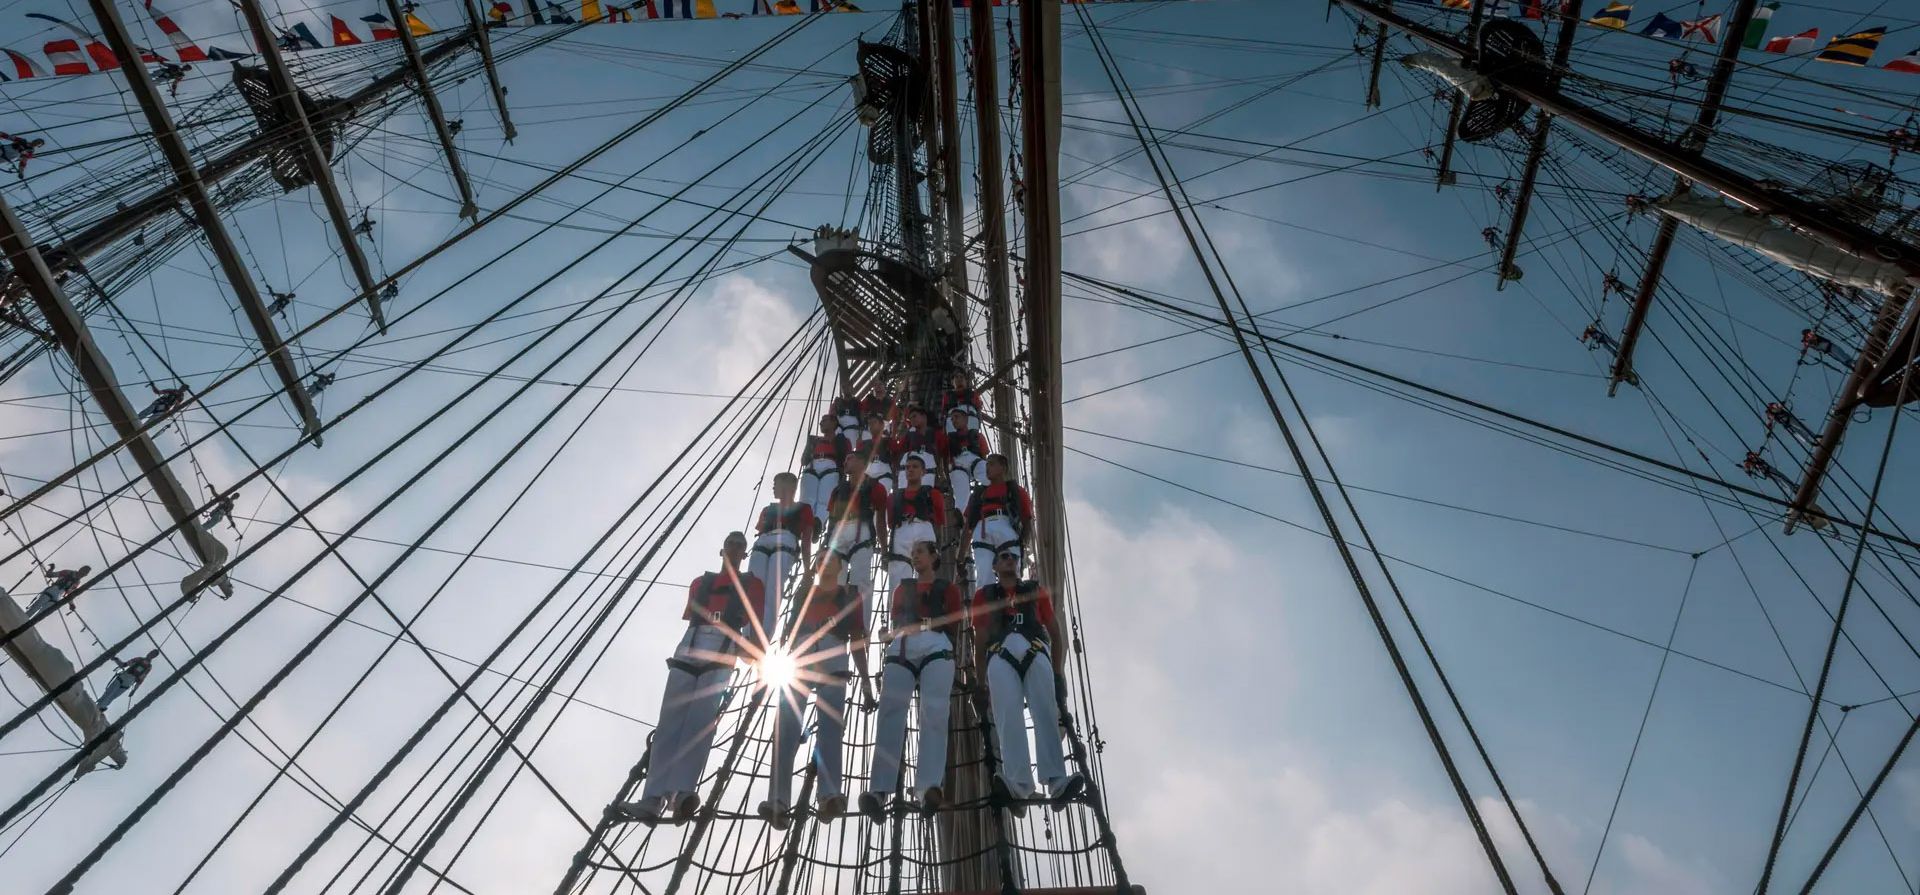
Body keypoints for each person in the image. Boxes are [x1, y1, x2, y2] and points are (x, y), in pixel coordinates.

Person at [615, 533, 767, 824]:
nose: (735, 549)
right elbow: (692, 616)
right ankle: (652, 798)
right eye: (731, 544)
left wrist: (760, 669)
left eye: (740, 546)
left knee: (699, 723)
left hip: (723, 647)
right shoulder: (700, 583)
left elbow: (756, 627)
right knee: (669, 723)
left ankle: (682, 792)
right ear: (722, 550)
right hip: (690, 644)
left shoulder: (752, 585)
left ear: (745, 554)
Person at [757, 553, 872, 829]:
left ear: (840, 566)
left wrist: (866, 679)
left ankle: (829, 795)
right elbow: (790, 634)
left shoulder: (849, 595)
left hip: (835, 647)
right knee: (785, 727)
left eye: (829, 559)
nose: (823, 562)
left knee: (831, 726)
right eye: (819, 558)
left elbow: (856, 638)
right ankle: (778, 800)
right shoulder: (804, 594)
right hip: (802, 652)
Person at [971, 550, 1084, 814]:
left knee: (1045, 711)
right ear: (995, 566)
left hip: (1035, 650)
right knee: (1008, 715)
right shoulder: (983, 596)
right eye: (1004, 557)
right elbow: (979, 641)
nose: (1011, 559)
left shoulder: (1036, 591)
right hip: (1000, 654)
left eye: (1014, 556)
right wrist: (979, 682)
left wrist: (1057, 675)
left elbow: (1056, 634)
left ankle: (1057, 781)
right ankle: (1019, 784)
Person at [861, 541, 963, 820]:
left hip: (937, 645)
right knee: (890, 712)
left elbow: (954, 623)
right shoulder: (901, 590)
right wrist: (887, 634)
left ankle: (929, 786)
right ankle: (879, 791)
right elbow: (897, 623)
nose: (914, 555)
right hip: (903, 645)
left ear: (934, 556)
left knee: (935, 711)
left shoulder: (949, 589)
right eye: (913, 552)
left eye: (920, 552)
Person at [826, 451, 890, 613]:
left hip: (862, 532)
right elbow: (832, 521)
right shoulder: (838, 490)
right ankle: (833, 627)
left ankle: (862, 630)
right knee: (833, 582)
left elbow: (881, 521)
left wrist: (884, 550)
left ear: (862, 463)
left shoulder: (875, 487)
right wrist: (824, 547)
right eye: (845, 458)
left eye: (850, 458)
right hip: (839, 533)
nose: (845, 461)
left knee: (860, 582)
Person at [750, 473, 815, 626]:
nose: (773, 487)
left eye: (776, 483)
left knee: (773, 591)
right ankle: (747, 636)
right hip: (763, 542)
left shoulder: (804, 509)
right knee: (753, 589)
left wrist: (807, 569)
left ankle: (762, 639)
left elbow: (806, 540)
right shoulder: (767, 510)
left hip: (786, 539)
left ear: (788, 486)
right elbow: (760, 528)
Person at [965, 454, 1032, 589]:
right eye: (987, 464)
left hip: (1006, 527)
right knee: (984, 577)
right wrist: (960, 558)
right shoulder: (979, 494)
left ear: (1003, 468)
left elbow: (1027, 520)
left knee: (1013, 574)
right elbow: (968, 526)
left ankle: (1013, 606)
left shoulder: (1016, 491)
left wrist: (1023, 543)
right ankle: (986, 606)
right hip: (983, 529)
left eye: (992, 464)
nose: (987, 467)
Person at [886, 456, 946, 587]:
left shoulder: (933, 494)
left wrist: (938, 546)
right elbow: (890, 523)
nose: (910, 470)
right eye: (907, 467)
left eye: (915, 467)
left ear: (923, 471)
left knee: (926, 574)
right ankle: (900, 605)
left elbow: (940, 522)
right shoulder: (893, 497)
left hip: (924, 527)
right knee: (898, 579)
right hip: (901, 529)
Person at [937, 409, 990, 515]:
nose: (954, 420)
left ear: (965, 419)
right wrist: (945, 476)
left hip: (975, 462)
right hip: (958, 467)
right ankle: (960, 515)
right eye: (951, 419)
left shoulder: (977, 436)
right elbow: (943, 458)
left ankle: (991, 500)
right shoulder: (948, 439)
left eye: (957, 417)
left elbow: (984, 455)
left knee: (986, 475)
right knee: (961, 495)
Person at [800, 415, 850, 525]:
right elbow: (803, 460)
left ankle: (818, 523)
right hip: (812, 467)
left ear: (834, 423)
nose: (821, 423)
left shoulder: (841, 440)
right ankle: (805, 525)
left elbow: (845, 457)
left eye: (824, 420)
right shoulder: (814, 440)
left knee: (825, 499)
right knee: (806, 500)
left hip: (831, 467)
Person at [95, 648, 161, 712]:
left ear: (154, 657)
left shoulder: (147, 666)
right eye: (150, 652)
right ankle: (100, 706)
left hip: (127, 682)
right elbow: (124, 665)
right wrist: (116, 659)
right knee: (109, 693)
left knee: (111, 696)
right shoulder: (139, 659)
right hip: (124, 679)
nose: (149, 654)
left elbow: (140, 680)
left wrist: (134, 690)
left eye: (152, 654)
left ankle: (100, 707)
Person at [889, 405, 937, 477]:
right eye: (910, 418)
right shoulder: (910, 434)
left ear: (923, 416)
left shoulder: (935, 433)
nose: (912, 420)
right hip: (913, 470)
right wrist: (893, 433)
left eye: (914, 416)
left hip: (929, 470)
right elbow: (898, 448)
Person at [26, 564, 91, 616]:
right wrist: (51, 569)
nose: (83, 575)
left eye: (85, 574)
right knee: (34, 609)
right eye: (84, 572)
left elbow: (69, 593)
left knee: (39, 616)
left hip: (56, 599)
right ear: (80, 569)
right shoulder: (67, 572)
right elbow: (50, 575)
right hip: (51, 591)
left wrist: (71, 604)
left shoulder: (77, 582)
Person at [858, 412, 894, 491]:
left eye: (874, 422)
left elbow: (896, 452)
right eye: (869, 423)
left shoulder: (888, 440)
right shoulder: (864, 444)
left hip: (884, 474)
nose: (871, 425)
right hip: (868, 476)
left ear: (882, 425)